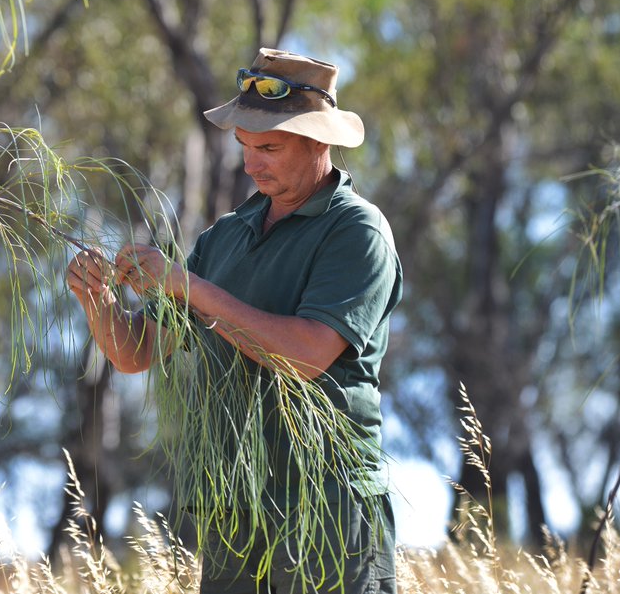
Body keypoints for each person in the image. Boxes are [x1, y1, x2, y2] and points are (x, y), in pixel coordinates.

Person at [66, 48, 402, 594]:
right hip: (235, 511)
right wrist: (97, 300)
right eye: (244, 146)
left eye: (268, 147)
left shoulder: (357, 231)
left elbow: (307, 356)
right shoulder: (225, 236)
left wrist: (189, 287)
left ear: (319, 142)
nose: (251, 164)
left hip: (331, 511)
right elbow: (135, 352)